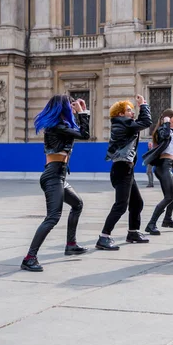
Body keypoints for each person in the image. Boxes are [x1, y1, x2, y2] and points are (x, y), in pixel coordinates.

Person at [21, 95, 91, 272]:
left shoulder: (61, 125)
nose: (73, 106)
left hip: (59, 176)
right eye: (70, 104)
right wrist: (82, 112)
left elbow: (76, 131)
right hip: (53, 176)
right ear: (63, 107)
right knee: (53, 217)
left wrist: (81, 112)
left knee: (77, 204)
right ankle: (29, 258)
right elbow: (85, 134)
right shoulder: (57, 127)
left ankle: (71, 244)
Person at [96, 95, 152, 250]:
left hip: (125, 169)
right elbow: (146, 122)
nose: (131, 113)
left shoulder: (125, 123)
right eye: (128, 110)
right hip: (122, 169)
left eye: (132, 110)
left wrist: (141, 109)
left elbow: (140, 124)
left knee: (137, 202)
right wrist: (144, 105)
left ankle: (133, 232)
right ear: (120, 114)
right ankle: (103, 237)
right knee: (121, 205)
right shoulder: (122, 123)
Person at [144, 109, 173, 235]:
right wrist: (166, 123)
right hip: (162, 167)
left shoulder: (170, 131)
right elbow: (164, 137)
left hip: (169, 166)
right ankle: (151, 224)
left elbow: (170, 140)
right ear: (167, 119)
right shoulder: (162, 130)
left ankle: (167, 219)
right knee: (168, 197)